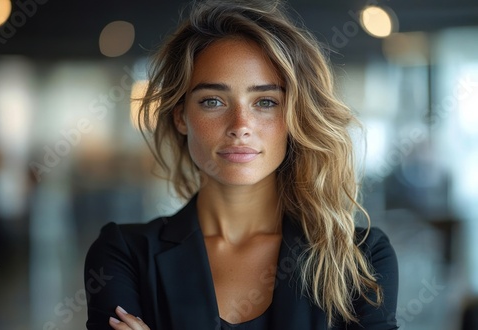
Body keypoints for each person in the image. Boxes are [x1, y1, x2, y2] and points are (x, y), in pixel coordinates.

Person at [84, 0, 399, 329]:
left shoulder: (361, 259)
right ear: (181, 116)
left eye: (265, 102)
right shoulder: (123, 256)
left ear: (295, 117)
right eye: (213, 101)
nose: (240, 124)